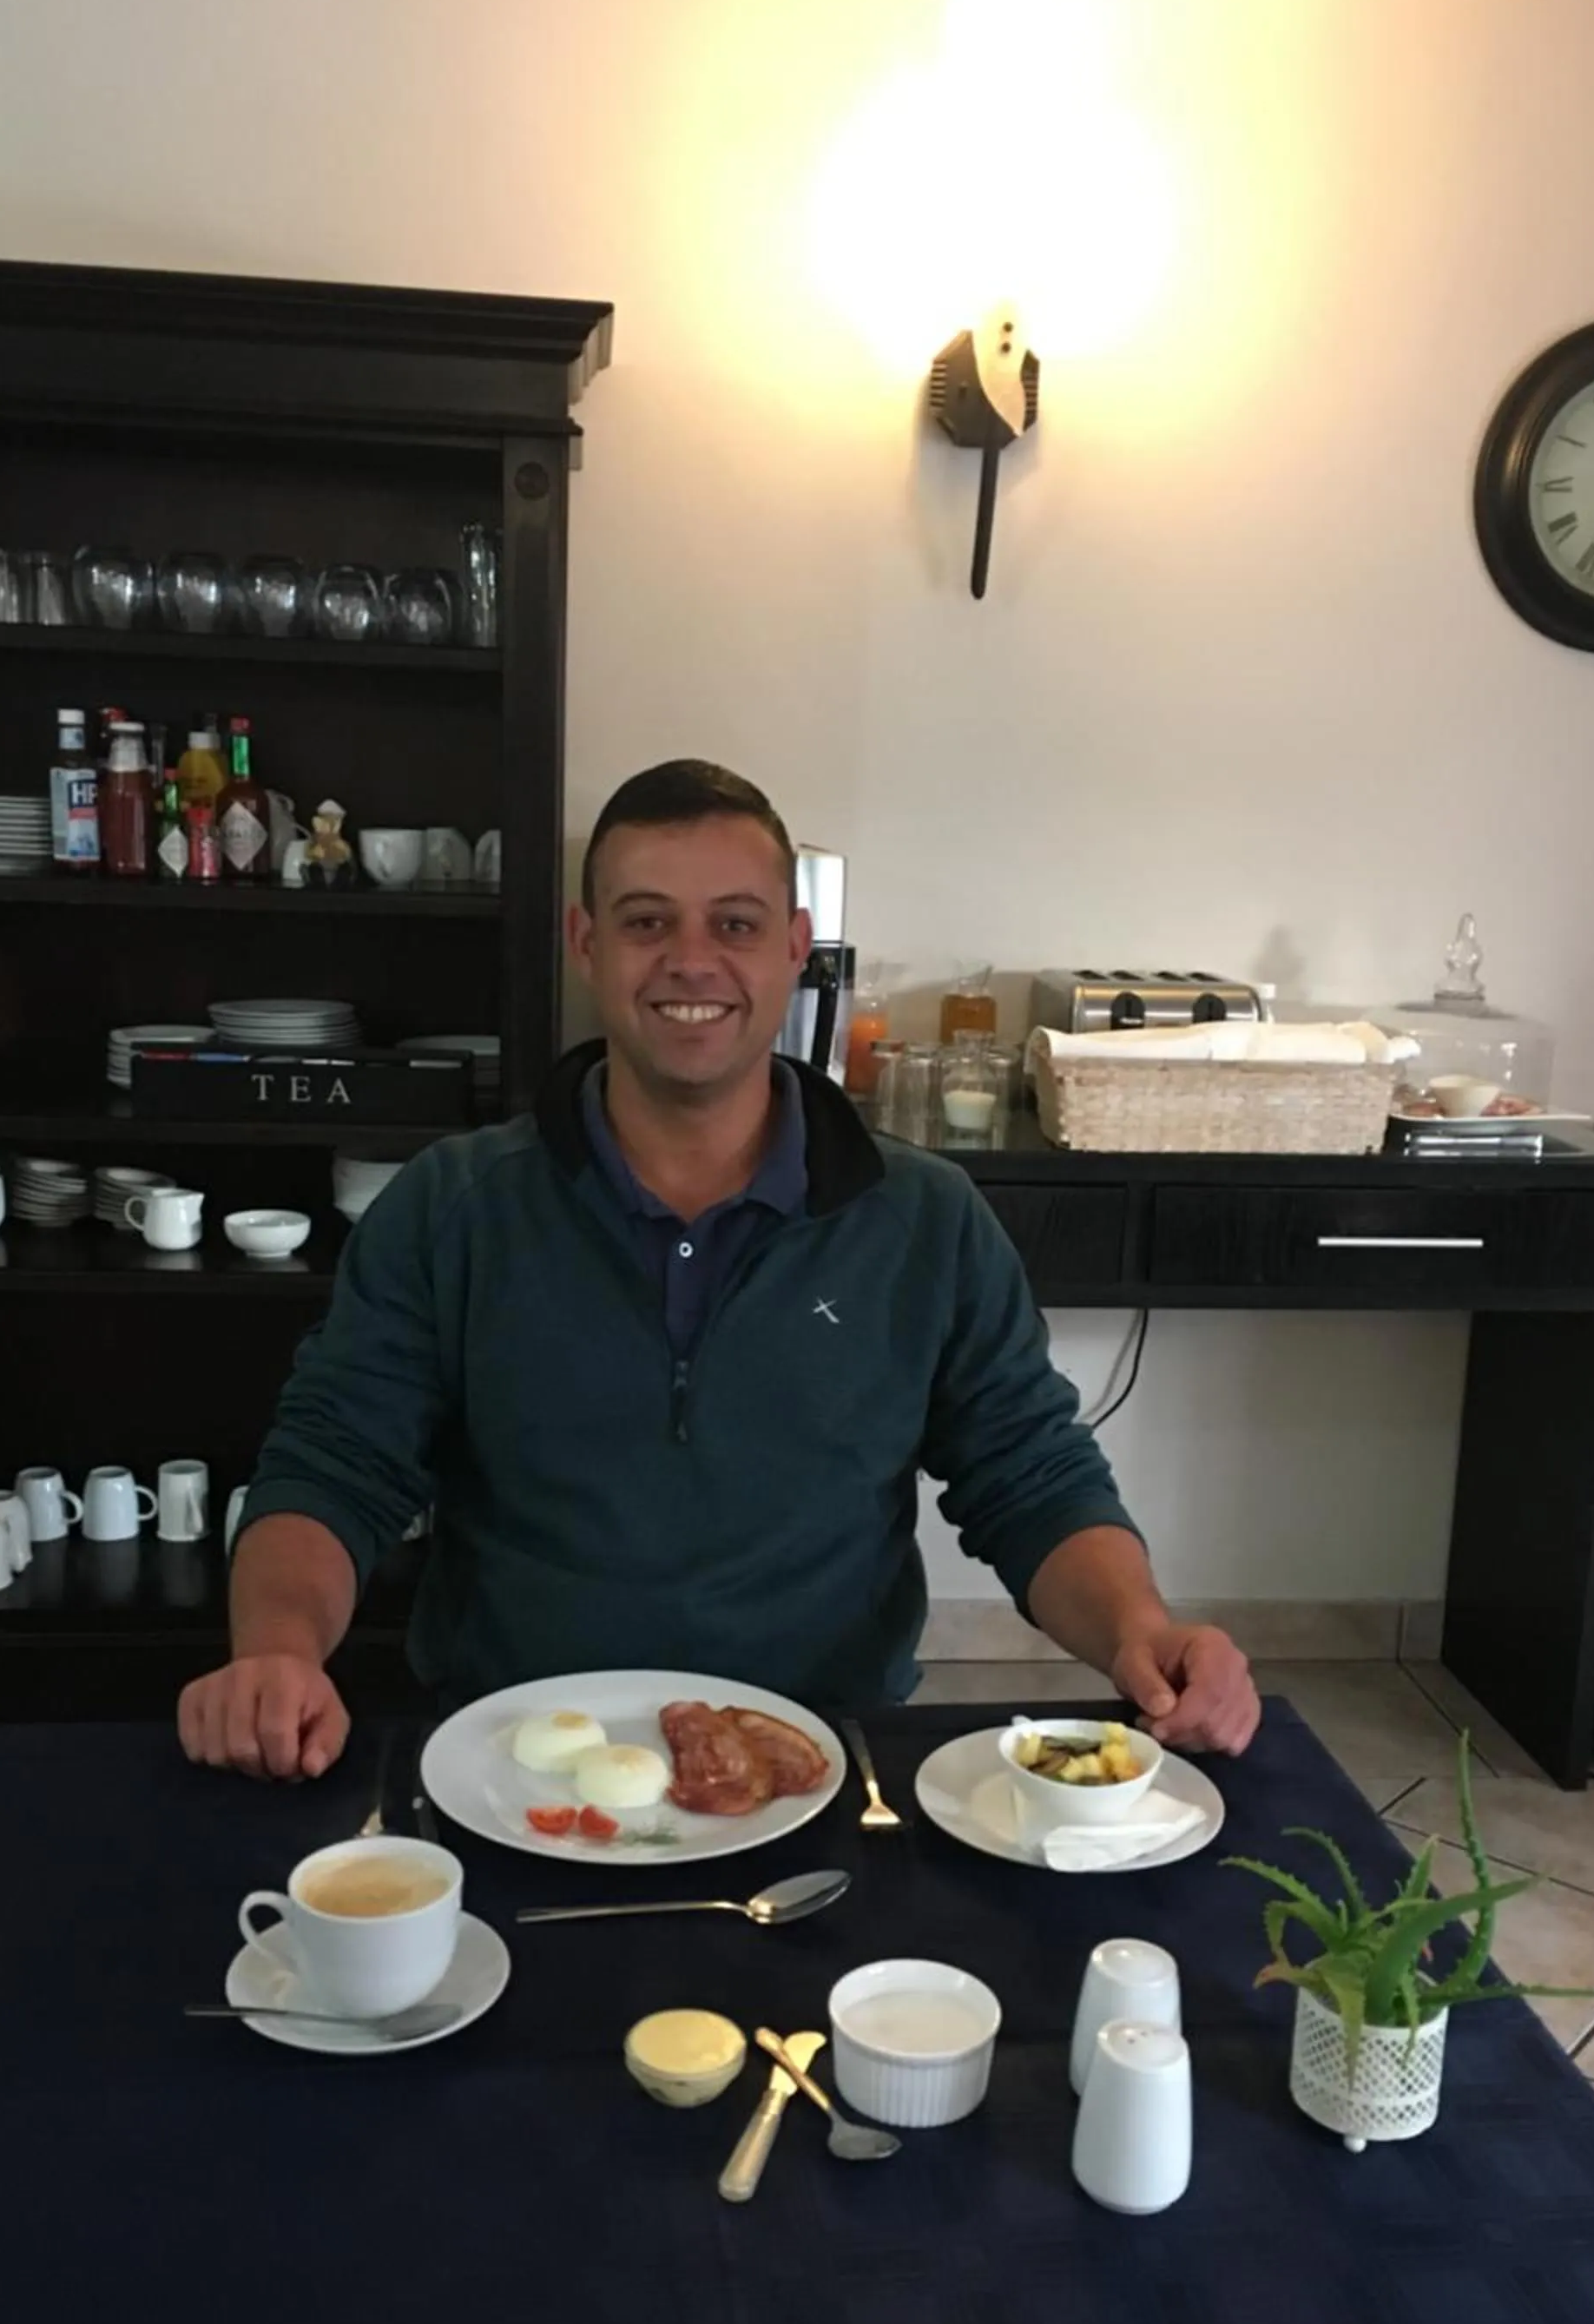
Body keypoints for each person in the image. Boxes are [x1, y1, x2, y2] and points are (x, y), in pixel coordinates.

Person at [177, 760, 1260, 1780]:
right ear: (586, 942)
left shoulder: (925, 1220)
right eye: (648, 922)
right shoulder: (451, 1208)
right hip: (512, 1759)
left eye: (734, 925)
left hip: (831, 1763)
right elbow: (332, 1465)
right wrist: (277, 1651)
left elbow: (1030, 1477)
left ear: (795, 948)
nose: (692, 961)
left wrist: (1144, 1631)